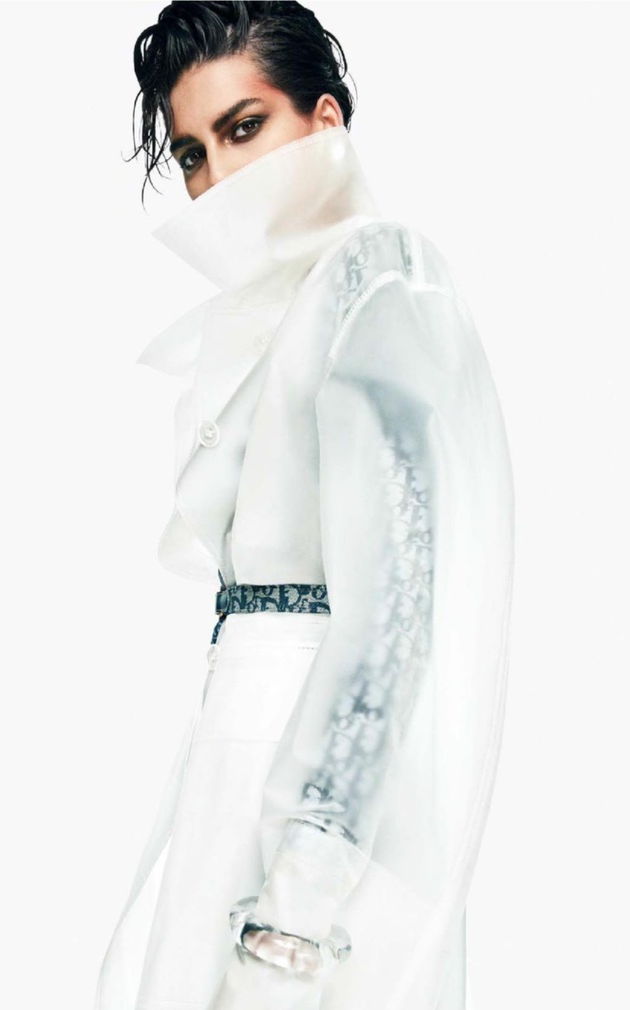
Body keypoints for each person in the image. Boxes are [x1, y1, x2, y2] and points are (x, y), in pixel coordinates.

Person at [94, 4, 515, 1010]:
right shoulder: (276, 309)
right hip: (233, 771)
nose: (218, 177)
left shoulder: (375, 273)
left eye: (245, 128)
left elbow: (393, 619)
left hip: (314, 814)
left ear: (324, 121)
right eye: (192, 153)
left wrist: (295, 914)